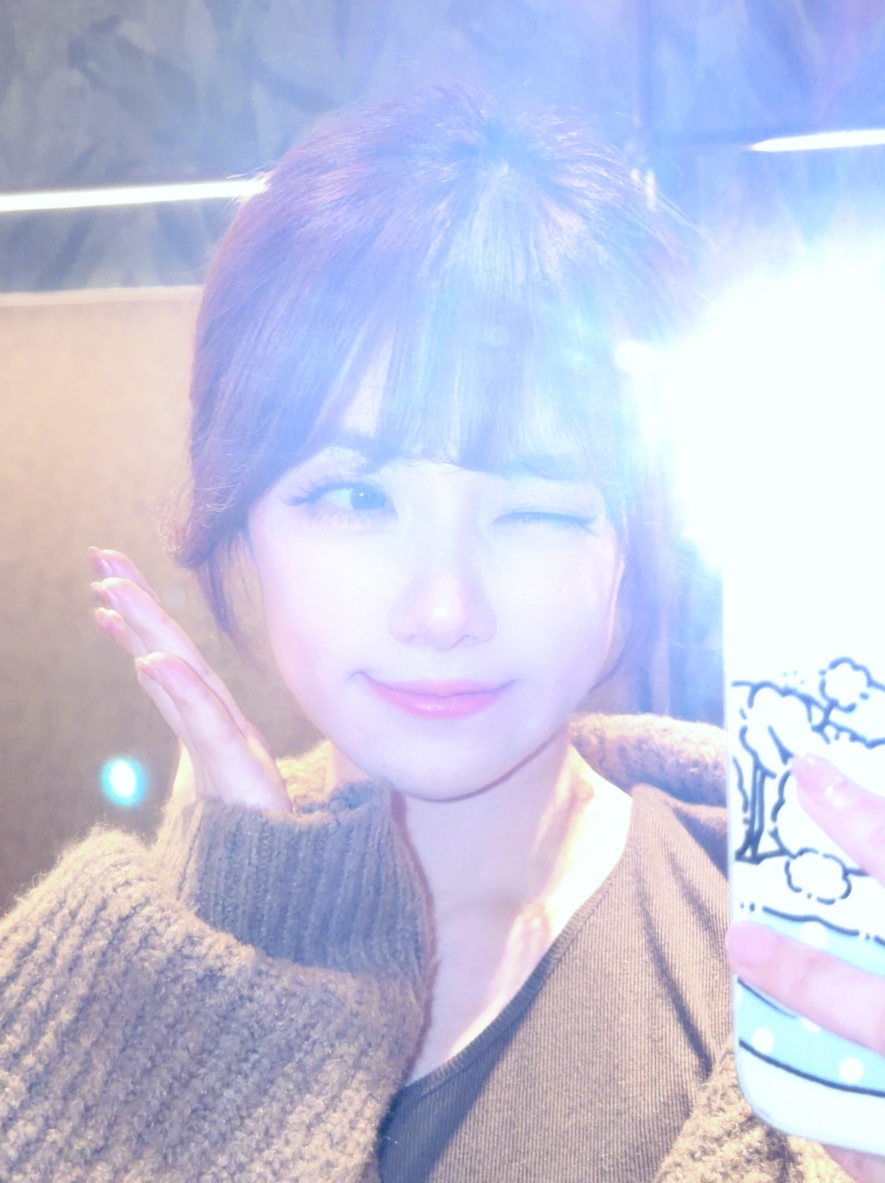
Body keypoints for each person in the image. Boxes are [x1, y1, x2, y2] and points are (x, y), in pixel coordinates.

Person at [0, 86, 881, 1183]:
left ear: (632, 540)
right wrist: (227, 997)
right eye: (355, 497)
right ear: (241, 516)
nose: (445, 608)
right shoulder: (86, 986)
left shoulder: (785, 964)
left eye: (538, 508)